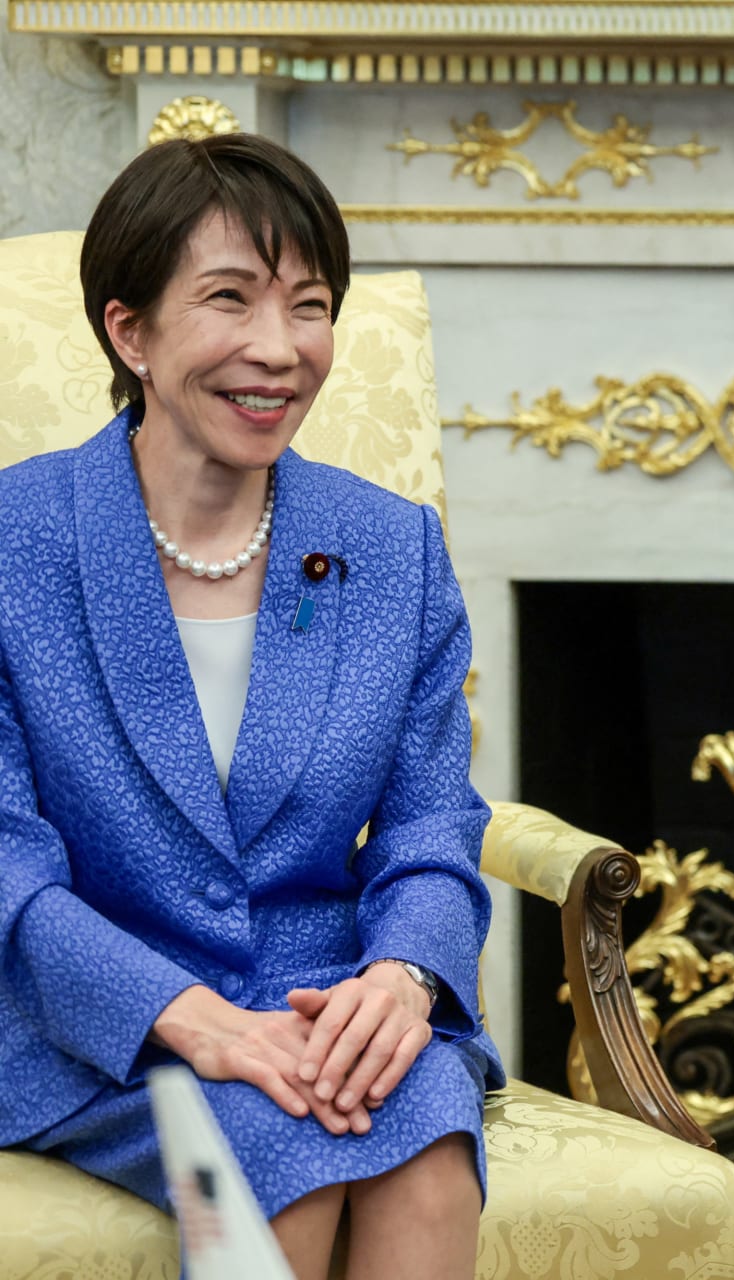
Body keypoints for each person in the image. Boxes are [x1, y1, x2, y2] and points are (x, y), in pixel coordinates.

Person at [0, 133, 503, 1279]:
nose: (279, 350)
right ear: (130, 330)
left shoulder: (390, 547)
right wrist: (191, 1014)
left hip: (327, 998)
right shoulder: (13, 542)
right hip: (83, 1015)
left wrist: (404, 979)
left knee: (423, 1120)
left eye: (310, 306)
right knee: (289, 1135)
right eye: (229, 299)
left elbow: (430, 826)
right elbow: (4, 864)